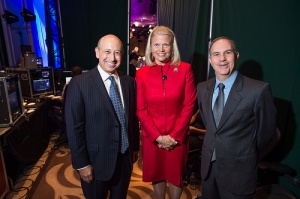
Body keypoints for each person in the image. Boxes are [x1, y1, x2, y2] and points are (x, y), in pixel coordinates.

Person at [196, 36, 277, 199]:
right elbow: (211, 126)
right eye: (216, 54)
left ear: (236, 55)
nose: (222, 59)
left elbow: (266, 132)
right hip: (208, 171)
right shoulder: (202, 88)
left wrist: (247, 152)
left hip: (239, 173)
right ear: (211, 60)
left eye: (227, 53)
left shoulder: (258, 90)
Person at [65, 34, 140, 199]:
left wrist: (135, 147)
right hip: (95, 163)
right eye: (107, 51)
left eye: (117, 53)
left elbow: (133, 119)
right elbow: (74, 128)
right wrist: (81, 164)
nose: (112, 58)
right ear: (97, 52)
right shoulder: (79, 84)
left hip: (124, 160)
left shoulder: (129, 82)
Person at [135, 26, 197, 199]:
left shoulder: (185, 69)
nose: (161, 49)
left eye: (165, 45)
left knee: (175, 176)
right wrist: (157, 137)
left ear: (172, 47)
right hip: (152, 137)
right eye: (156, 45)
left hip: (178, 136)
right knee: (157, 173)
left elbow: (189, 104)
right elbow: (141, 109)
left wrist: (175, 136)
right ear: (150, 47)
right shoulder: (141, 74)